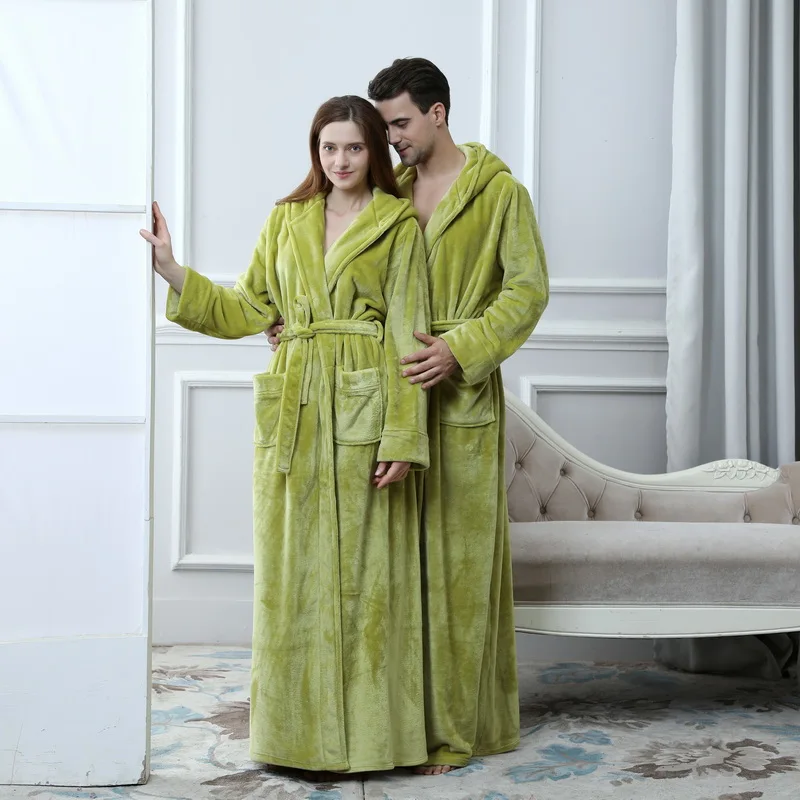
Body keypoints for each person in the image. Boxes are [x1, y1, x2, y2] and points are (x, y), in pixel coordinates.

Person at [268, 60, 549, 775]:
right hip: (380, 396)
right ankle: (394, 724)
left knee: (453, 579)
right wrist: (298, 324)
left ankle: (453, 733)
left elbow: (527, 291)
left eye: (398, 123)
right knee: (391, 579)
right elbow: (345, 277)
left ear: (438, 114)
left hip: (456, 399)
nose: (388, 137)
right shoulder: (388, 189)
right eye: (383, 126)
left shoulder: (499, 194)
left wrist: (461, 349)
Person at [140, 95, 431, 777]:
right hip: (295, 407)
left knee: (365, 579)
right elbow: (248, 307)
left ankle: (367, 741)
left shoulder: (397, 225)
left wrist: (400, 435)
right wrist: (172, 269)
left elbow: (408, 331)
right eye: (329, 148)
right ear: (315, 151)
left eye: (353, 147)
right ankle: (294, 739)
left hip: (362, 402)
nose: (340, 161)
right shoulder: (287, 218)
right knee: (290, 575)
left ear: (373, 151)